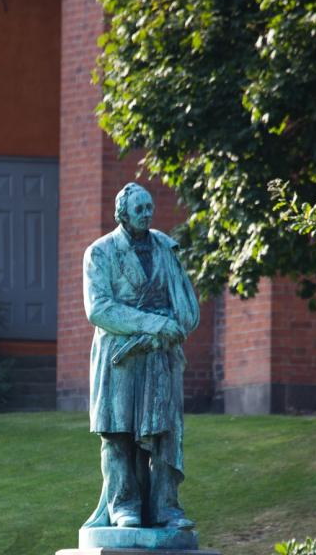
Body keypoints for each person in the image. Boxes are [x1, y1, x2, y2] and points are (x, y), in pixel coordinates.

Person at [82, 182, 200, 530]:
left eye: (150, 207)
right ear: (122, 213)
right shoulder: (100, 253)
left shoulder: (165, 247)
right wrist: (153, 323)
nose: (147, 213)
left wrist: (172, 326)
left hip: (160, 357)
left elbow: (185, 303)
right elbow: (99, 308)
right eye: (139, 209)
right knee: (117, 432)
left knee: (165, 434)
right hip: (119, 357)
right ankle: (123, 506)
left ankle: (166, 506)